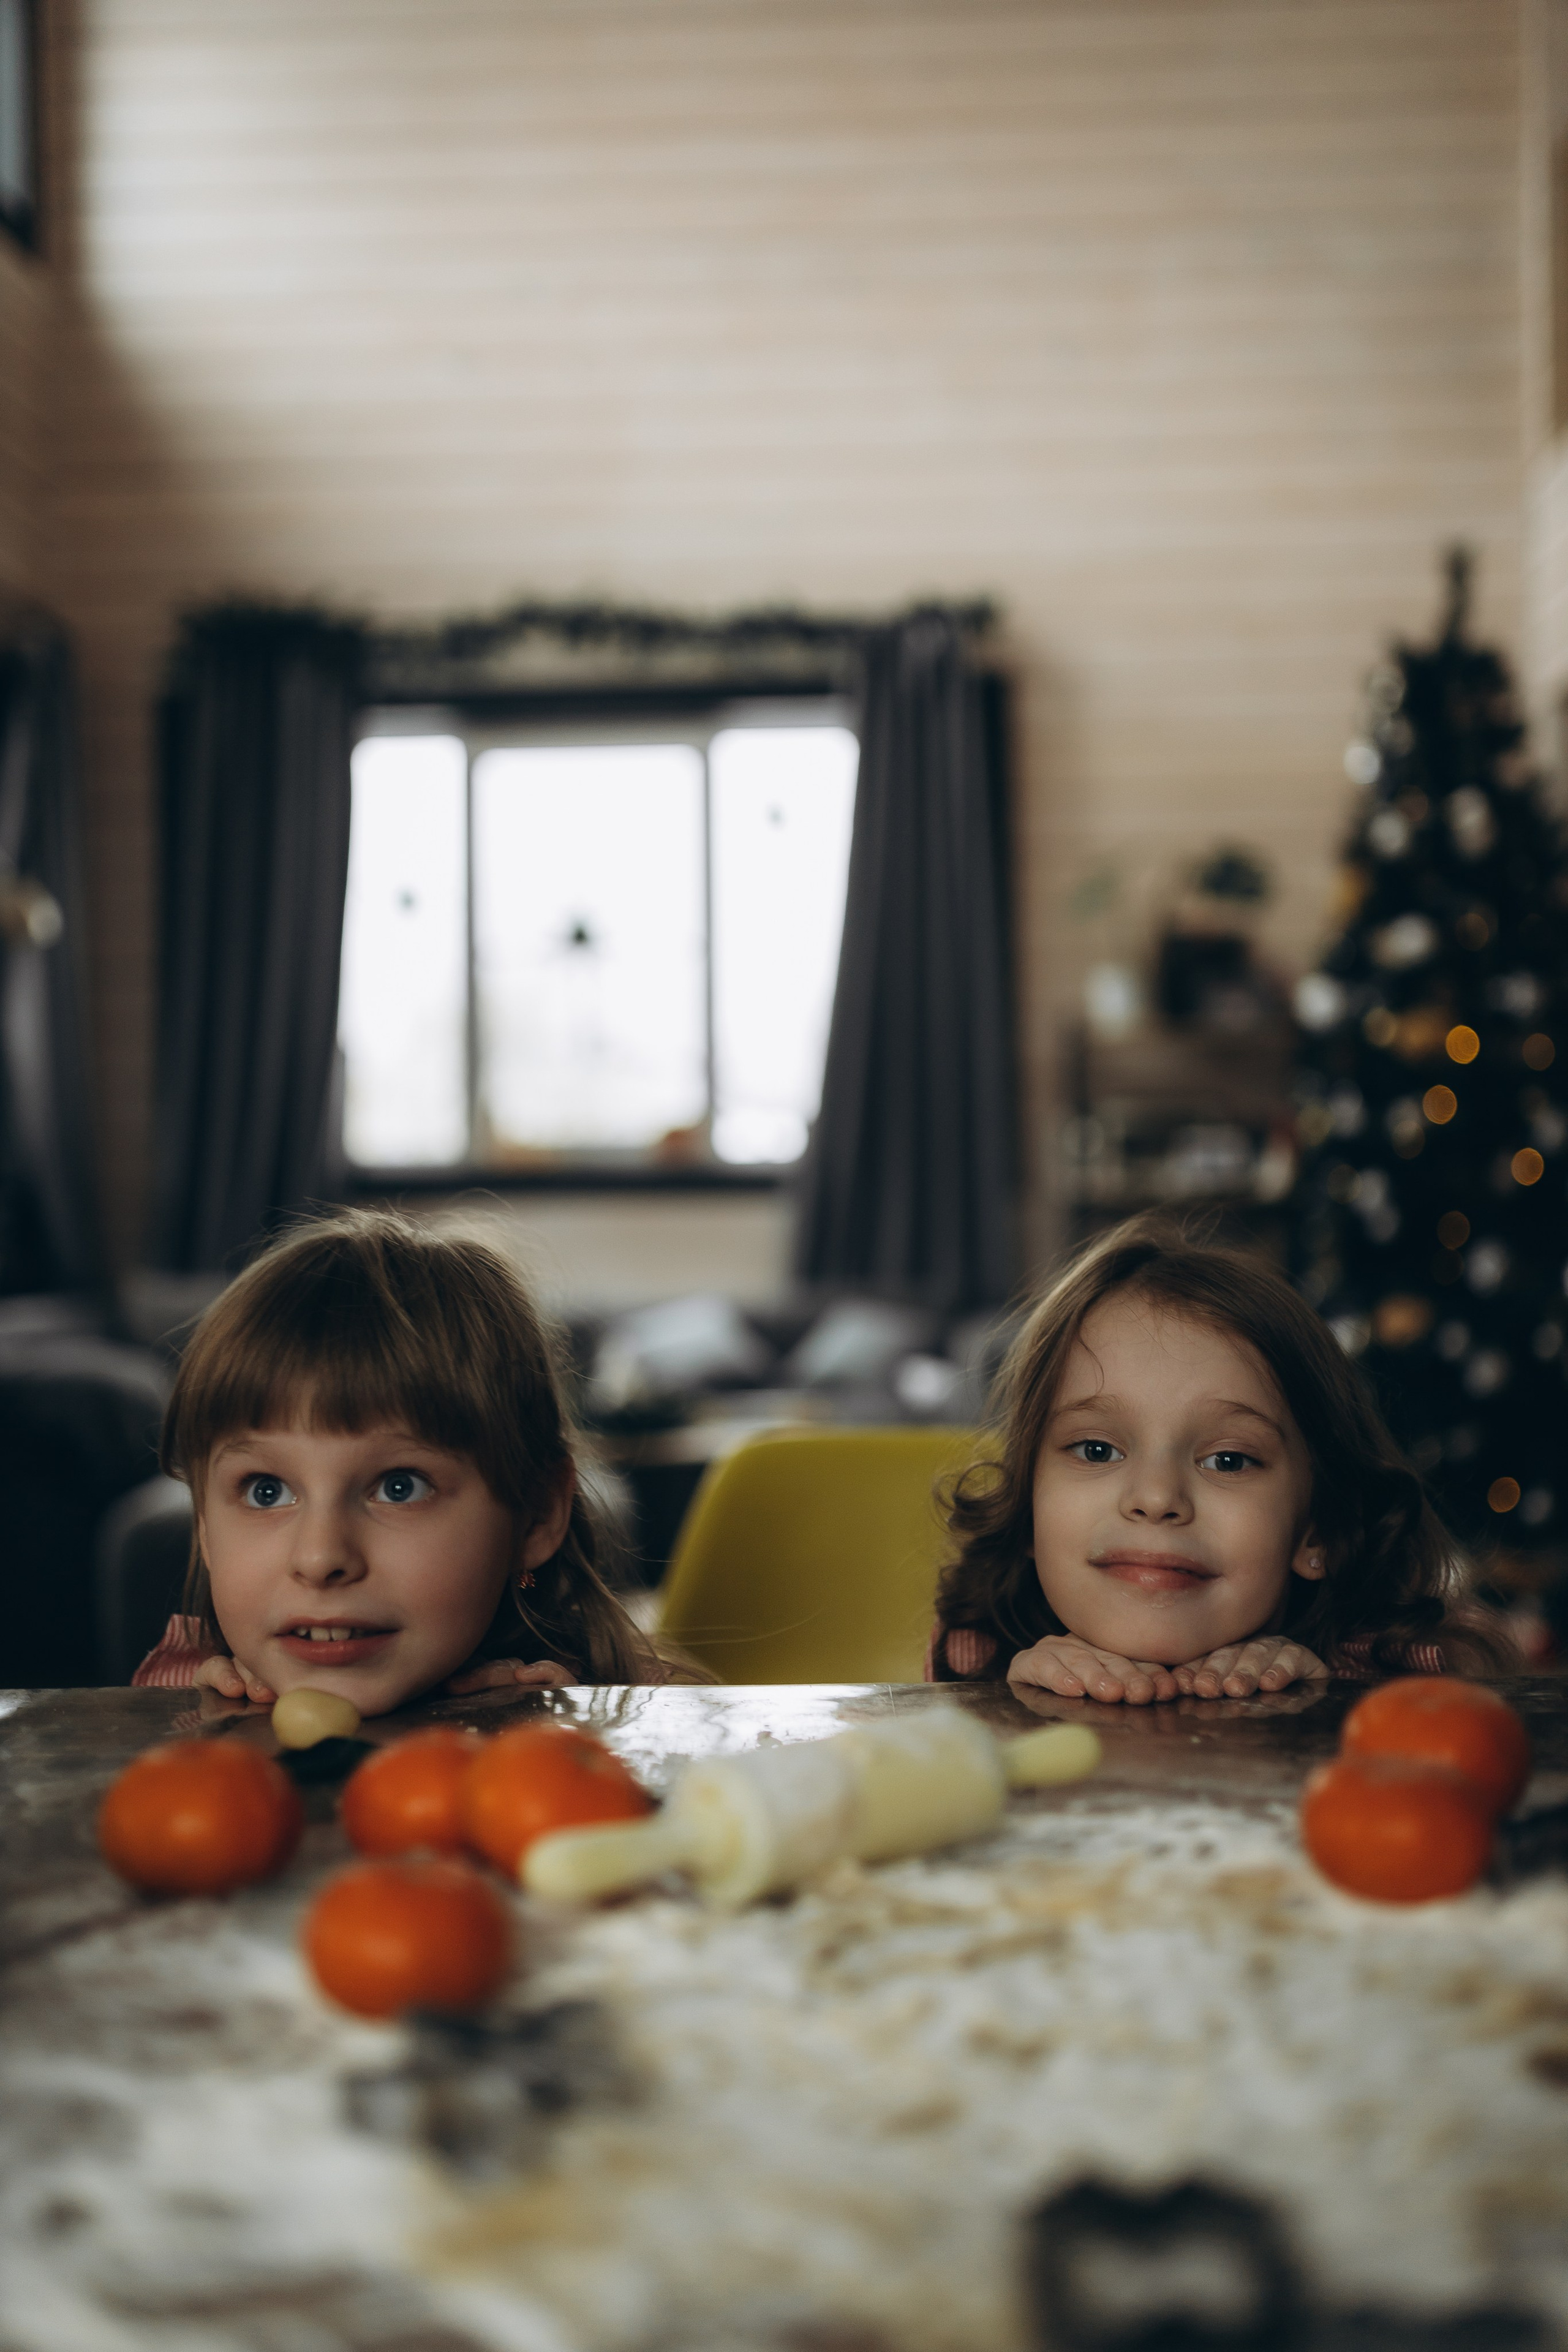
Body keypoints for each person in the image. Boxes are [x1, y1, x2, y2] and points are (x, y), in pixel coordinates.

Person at [929, 1214, 1508, 1702]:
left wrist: (1326, 1705)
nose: (1156, 1499)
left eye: (1228, 1461)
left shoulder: (1396, 1664)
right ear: (1028, 1504)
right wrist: (1007, 1714)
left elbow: (1478, 1725)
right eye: (1097, 1450)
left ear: (1319, 1531)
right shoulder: (975, 1658)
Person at [133, 1208, 680, 1708]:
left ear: (535, 1516)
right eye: (266, 1491)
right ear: (205, 1528)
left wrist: (566, 1749)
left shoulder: (630, 1711)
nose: (321, 1558)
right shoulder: (177, 1701)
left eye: (400, 1487)